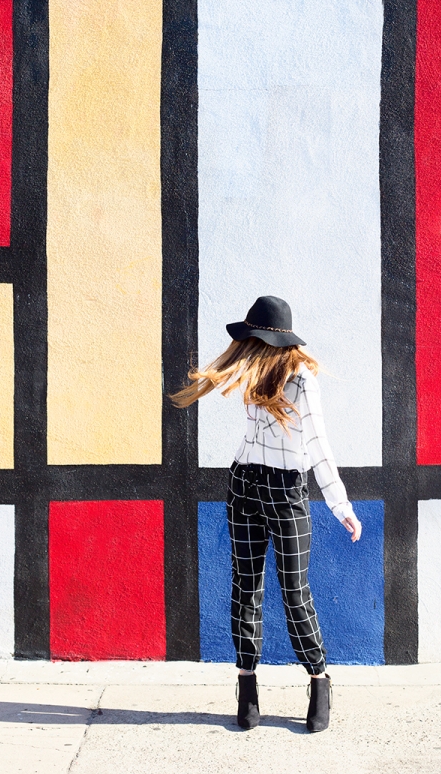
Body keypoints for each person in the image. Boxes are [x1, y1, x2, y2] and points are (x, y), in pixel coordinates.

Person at [171, 295, 362, 732]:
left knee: (294, 590)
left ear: (274, 341)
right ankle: (247, 683)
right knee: (246, 586)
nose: (249, 347)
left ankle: (318, 679)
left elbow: (318, 446)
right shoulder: (256, 374)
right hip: (244, 484)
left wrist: (340, 504)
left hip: (286, 492)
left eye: (256, 339)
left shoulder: (302, 381)